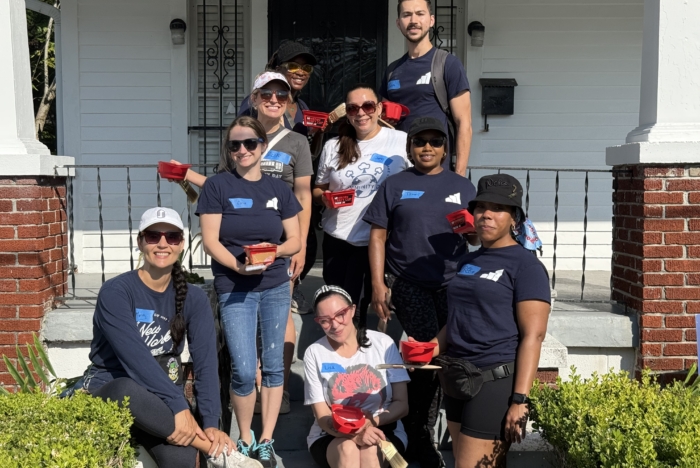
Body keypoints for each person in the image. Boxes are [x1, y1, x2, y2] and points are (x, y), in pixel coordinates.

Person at [175, 72, 313, 415]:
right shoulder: (238, 136)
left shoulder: (297, 142)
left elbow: (303, 195)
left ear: (288, 101)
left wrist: (300, 245)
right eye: (267, 93)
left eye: (281, 94)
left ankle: (278, 391)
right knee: (243, 350)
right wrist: (187, 175)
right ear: (254, 98)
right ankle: (252, 390)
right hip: (239, 254)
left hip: (279, 242)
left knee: (281, 317)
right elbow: (224, 186)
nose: (274, 99)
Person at [81, 207, 260, 468]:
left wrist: (211, 423)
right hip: (112, 392)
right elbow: (136, 360)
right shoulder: (116, 292)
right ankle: (215, 452)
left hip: (160, 404)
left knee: (181, 459)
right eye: (153, 236)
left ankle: (207, 445)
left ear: (181, 244)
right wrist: (181, 407)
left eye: (172, 237)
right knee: (126, 389)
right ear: (140, 242)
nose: (163, 243)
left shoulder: (194, 298)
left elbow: (206, 364)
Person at [363, 116, 477, 467]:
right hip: (408, 281)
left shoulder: (463, 186)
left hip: (453, 283)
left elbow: (477, 238)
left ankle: (453, 424)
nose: (427, 147)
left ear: (445, 148)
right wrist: (379, 284)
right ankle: (419, 434)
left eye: (435, 141)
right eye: (419, 141)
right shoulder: (395, 184)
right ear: (410, 147)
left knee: (452, 354)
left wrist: (471, 230)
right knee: (426, 356)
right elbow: (378, 236)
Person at [419, 174, 551, 467]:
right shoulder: (468, 261)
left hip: (494, 379)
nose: (486, 214)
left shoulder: (526, 266)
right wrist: (431, 347)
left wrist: (520, 399)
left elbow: (534, 336)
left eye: (498, 208)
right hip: (457, 376)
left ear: (514, 218)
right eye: (480, 207)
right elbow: (457, 319)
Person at [196, 115, 302, 468]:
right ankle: (245, 437)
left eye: (249, 143)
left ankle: (266, 440)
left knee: (273, 366)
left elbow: (295, 240)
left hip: (274, 285)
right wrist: (238, 266)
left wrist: (272, 252)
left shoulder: (279, 190)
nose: (242, 150)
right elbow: (210, 241)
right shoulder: (217, 186)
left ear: (262, 146)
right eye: (235, 145)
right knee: (243, 369)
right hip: (234, 286)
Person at [313, 84, 411, 326]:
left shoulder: (401, 141)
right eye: (353, 108)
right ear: (347, 113)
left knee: (373, 302)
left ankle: (366, 342)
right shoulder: (333, 145)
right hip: (339, 237)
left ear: (379, 108)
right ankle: (345, 345)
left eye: (367, 106)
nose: (361, 113)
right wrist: (324, 198)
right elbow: (318, 189)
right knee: (340, 305)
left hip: (382, 238)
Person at [304, 285, 410, 468]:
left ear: (352, 310)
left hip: (383, 426)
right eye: (325, 321)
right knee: (347, 450)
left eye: (340, 314)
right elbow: (322, 416)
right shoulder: (314, 353)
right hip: (332, 432)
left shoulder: (383, 344)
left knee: (370, 450)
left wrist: (370, 423)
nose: (334, 325)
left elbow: (402, 404)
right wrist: (356, 433)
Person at [381, 0, 472, 175]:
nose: (413, 20)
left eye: (420, 14)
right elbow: (382, 124)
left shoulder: (447, 64)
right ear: (398, 23)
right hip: (398, 169)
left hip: (436, 171)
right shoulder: (392, 70)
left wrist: (459, 177)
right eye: (407, 15)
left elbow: (464, 124)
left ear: (431, 20)